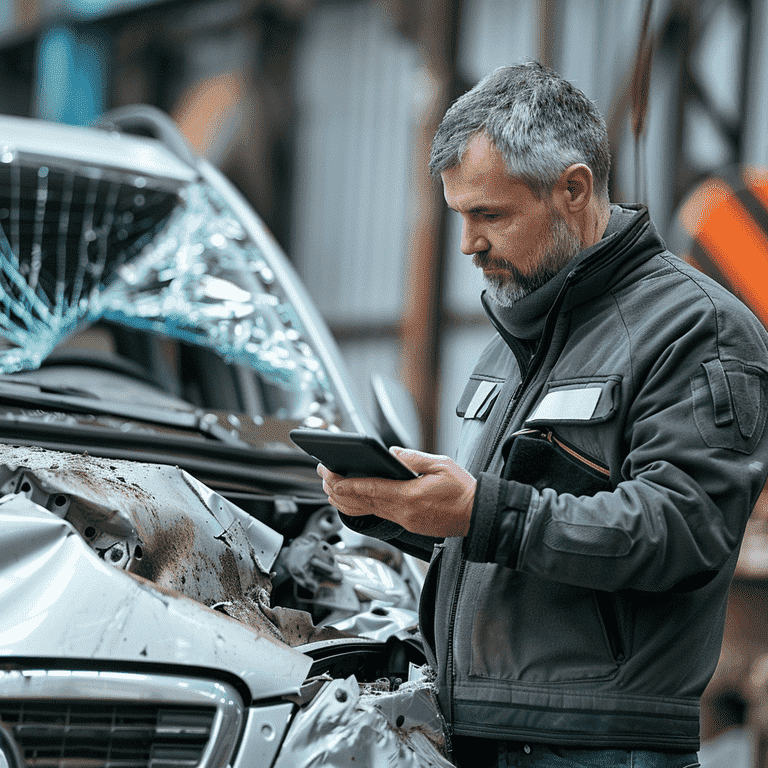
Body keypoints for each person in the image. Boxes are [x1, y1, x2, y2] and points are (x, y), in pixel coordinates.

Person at [317, 62, 768, 768]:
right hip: (485, 734)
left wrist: (481, 512)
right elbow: (517, 537)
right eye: (460, 215)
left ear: (574, 189)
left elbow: (683, 530)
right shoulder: (518, 335)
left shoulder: (697, 328)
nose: (468, 244)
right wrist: (401, 509)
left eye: (489, 215)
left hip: (597, 749)